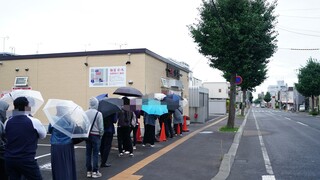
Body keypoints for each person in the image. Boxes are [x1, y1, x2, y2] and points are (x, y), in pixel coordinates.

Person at [4, 96, 46, 180]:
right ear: (26, 107)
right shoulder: (34, 121)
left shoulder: (8, 121)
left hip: (9, 159)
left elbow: (6, 135)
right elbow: (43, 135)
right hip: (26, 159)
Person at [48, 104, 77, 180]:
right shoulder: (71, 120)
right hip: (68, 145)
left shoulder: (54, 119)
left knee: (58, 166)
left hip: (56, 145)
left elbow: (50, 130)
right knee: (68, 165)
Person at [85, 97, 104, 178]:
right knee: (95, 154)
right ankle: (95, 172)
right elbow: (101, 127)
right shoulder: (98, 114)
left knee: (88, 153)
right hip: (96, 135)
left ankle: (88, 171)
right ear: (96, 104)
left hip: (87, 135)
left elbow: (84, 124)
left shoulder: (85, 113)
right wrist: (101, 134)